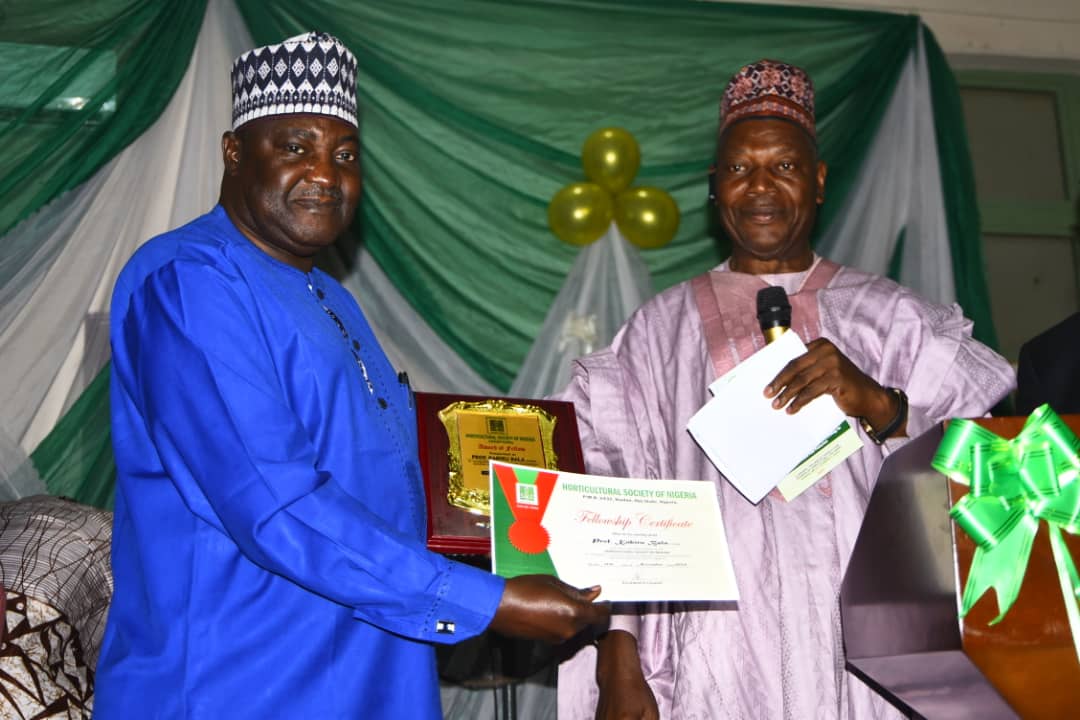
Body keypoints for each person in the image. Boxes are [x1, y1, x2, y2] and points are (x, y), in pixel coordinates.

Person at [94, 32, 607, 719]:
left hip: (368, 664)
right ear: (234, 152)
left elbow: (389, 475)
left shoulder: (330, 295)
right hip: (241, 677)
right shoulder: (190, 282)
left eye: (345, 155)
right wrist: (482, 599)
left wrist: (529, 529)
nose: (325, 174)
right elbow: (273, 503)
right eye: (295, 147)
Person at [556, 59, 1015, 719]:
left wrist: (882, 406)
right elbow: (611, 500)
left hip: (873, 653)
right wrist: (618, 658)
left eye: (785, 166)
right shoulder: (656, 336)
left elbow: (993, 491)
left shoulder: (895, 319)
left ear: (819, 181)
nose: (760, 187)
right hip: (716, 651)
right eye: (739, 168)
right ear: (714, 186)